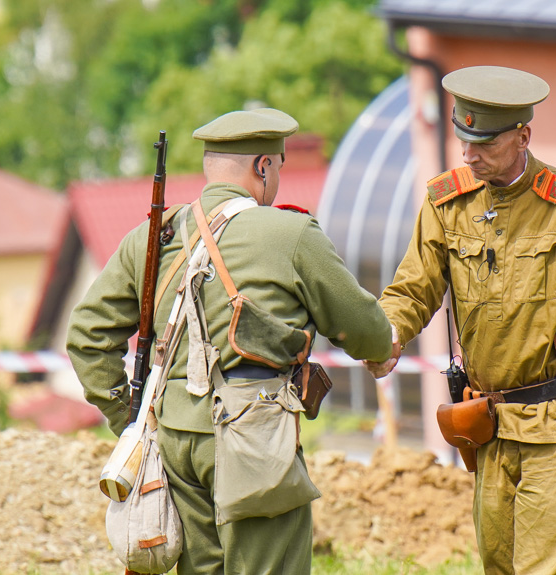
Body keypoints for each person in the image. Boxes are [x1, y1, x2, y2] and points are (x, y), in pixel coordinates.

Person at [67, 108, 393, 575]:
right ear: (263, 166)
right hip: (253, 436)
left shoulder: (154, 237)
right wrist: (384, 351)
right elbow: (363, 326)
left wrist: (129, 418)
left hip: (175, 438)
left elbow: (86, 336)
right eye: (276, 166)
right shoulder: (290, 234)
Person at [365, 66, 556, 575]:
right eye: (463, 139)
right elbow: (414, 288)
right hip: (488, 431)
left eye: (484, 144)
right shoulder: (446, 202)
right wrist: (387, 333)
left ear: (523, 136)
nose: (469, 155)